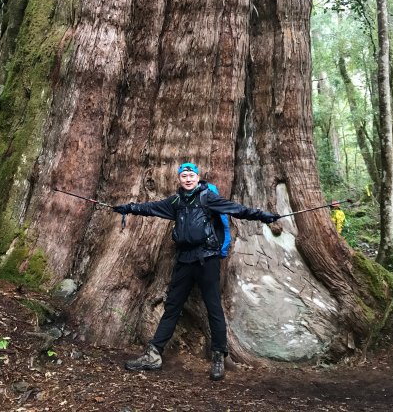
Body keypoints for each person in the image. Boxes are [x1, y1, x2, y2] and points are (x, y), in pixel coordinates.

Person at [113, 162, 280, 381]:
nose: (188, 179)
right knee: (172, 306)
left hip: (207, 259)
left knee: (213, 307)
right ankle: (153, 354)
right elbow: (150, 208)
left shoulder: (207, 197)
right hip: (183, 259)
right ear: (179, 179)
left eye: (191, 175)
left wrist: (263, 216)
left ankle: (218, 355)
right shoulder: (175, 201)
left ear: (198, 177)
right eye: (184, 176)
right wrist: (129, 208)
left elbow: (236, 209)